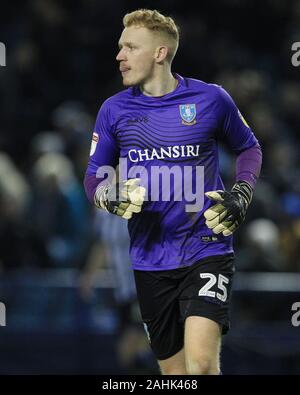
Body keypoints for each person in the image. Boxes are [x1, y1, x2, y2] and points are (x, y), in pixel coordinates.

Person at [84, 9, 262, 375]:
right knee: (176, 376)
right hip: (149, 259)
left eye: (130, 47)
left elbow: (249, 148)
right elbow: (92, 178)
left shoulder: (211, 99)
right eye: (120, 47)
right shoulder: (113, 110)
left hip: (206, 248)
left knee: (200, 365)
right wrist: (108, 195)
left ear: (160, 53)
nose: (119, 56)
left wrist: (241, 193)